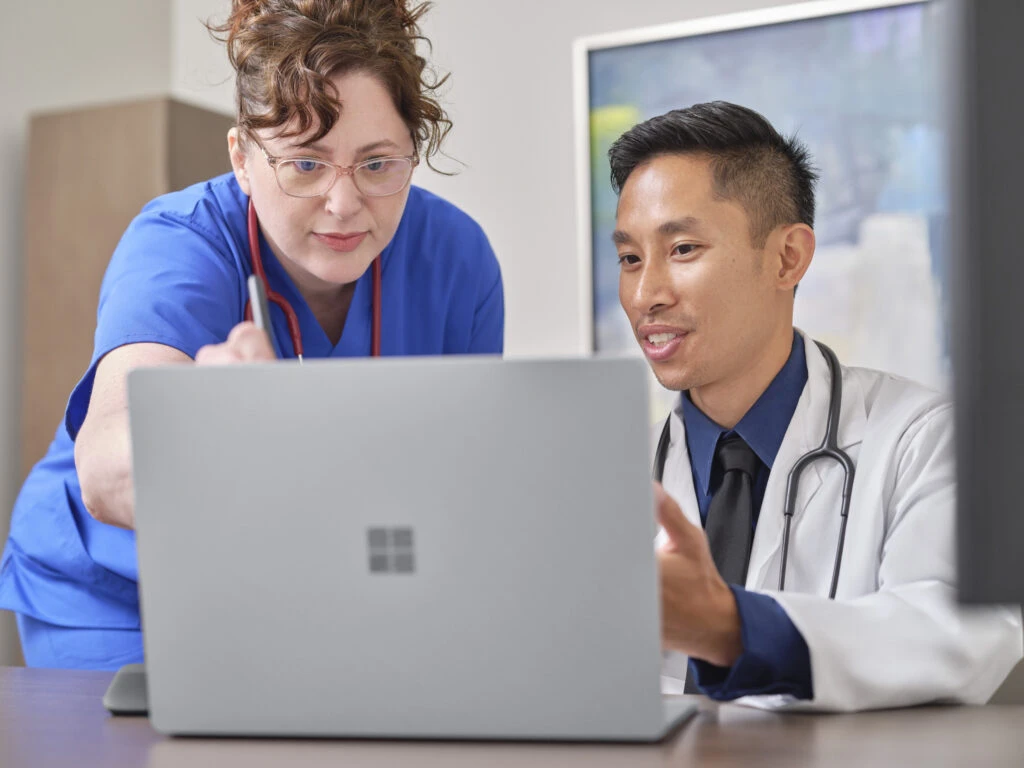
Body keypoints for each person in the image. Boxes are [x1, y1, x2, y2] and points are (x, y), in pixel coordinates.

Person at [0, 0, 503, 670]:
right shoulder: (181, 243)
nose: (344, 203)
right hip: (120, 586)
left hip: (303, 582)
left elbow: (457, 485)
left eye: (378, 164)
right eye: (305, 164)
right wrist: (214, 430)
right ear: (243, 158)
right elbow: (107, 469)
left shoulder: (457, 260)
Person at [608, 101, 1022, 711]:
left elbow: (963, 630)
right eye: (629, 258)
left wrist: (733, 627)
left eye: (684, 248)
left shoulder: (925, 439)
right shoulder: (610, 473)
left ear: (787, 258)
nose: (645, 295)